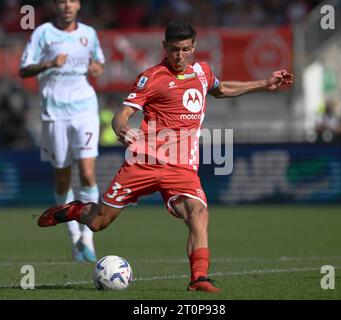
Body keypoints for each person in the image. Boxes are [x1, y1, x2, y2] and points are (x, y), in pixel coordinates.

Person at [37, 19, 293, 291]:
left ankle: (199, 279)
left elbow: (222, 89)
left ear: (193, 47)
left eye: (184, 49)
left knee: (199, 213)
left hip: (181, 168)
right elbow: (121, 116)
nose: (179, 56)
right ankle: (72, 209)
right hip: (144, 162)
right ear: (164, 47)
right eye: (173, 49)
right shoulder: (152, 77)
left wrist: (264, 83)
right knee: (99, 222)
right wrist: (123, 130)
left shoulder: (203, 72)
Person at [20, 0, 105, 262]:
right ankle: (74, 237)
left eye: (72, 1)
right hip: (54, 113)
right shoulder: (43, 33)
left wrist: (96, 69)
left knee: (88, 172)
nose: (67, 5)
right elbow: (24, 69)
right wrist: (48, 64)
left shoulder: (89, 33)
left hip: (85, 109)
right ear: (56, 5)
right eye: (62, 1)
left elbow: (99, 63)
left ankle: (88, 239)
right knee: (62, 177)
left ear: (79, 5)